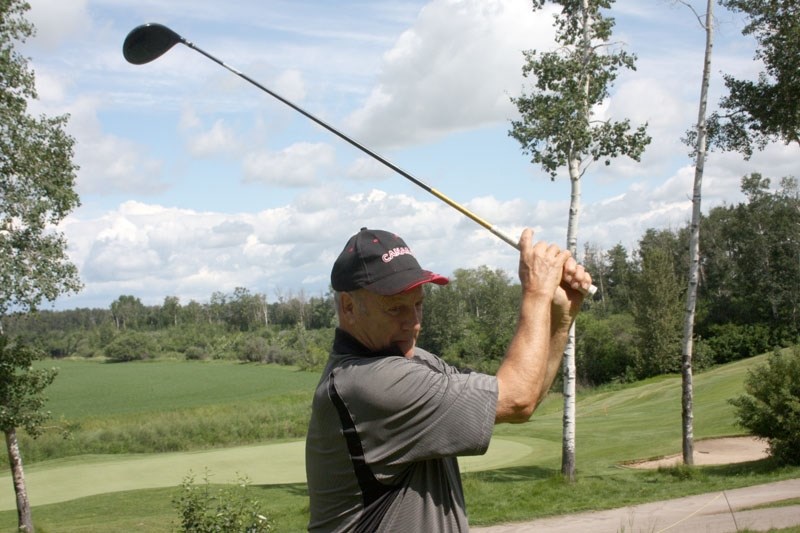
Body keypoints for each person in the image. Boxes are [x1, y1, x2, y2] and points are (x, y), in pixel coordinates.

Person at [305, 227, 592, 532]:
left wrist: (562, 316)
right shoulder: (367, 385)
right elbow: (516, 398)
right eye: (396, 309)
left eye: (418, 304)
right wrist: (536, 293)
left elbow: (525, 394)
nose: (413, 323)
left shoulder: (413, 361)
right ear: (349, 307)